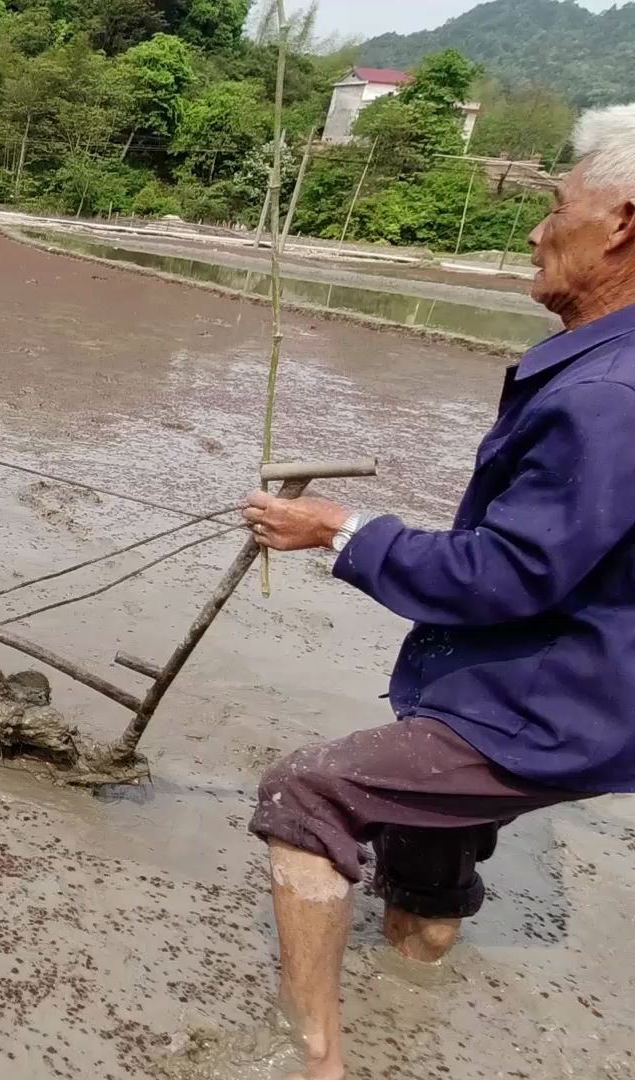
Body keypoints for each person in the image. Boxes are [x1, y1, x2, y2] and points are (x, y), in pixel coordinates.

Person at [241, 102, 635, 1080]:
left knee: (307, 791)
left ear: (623, 222)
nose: (538, 232)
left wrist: (338, 530)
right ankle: (417, 991)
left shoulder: (606, 396)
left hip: (555, 706)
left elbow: (508, 574)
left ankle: (316, 1064)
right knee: (422, 835)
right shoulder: (605, 373)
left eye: (555, 208)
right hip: (546, 681)